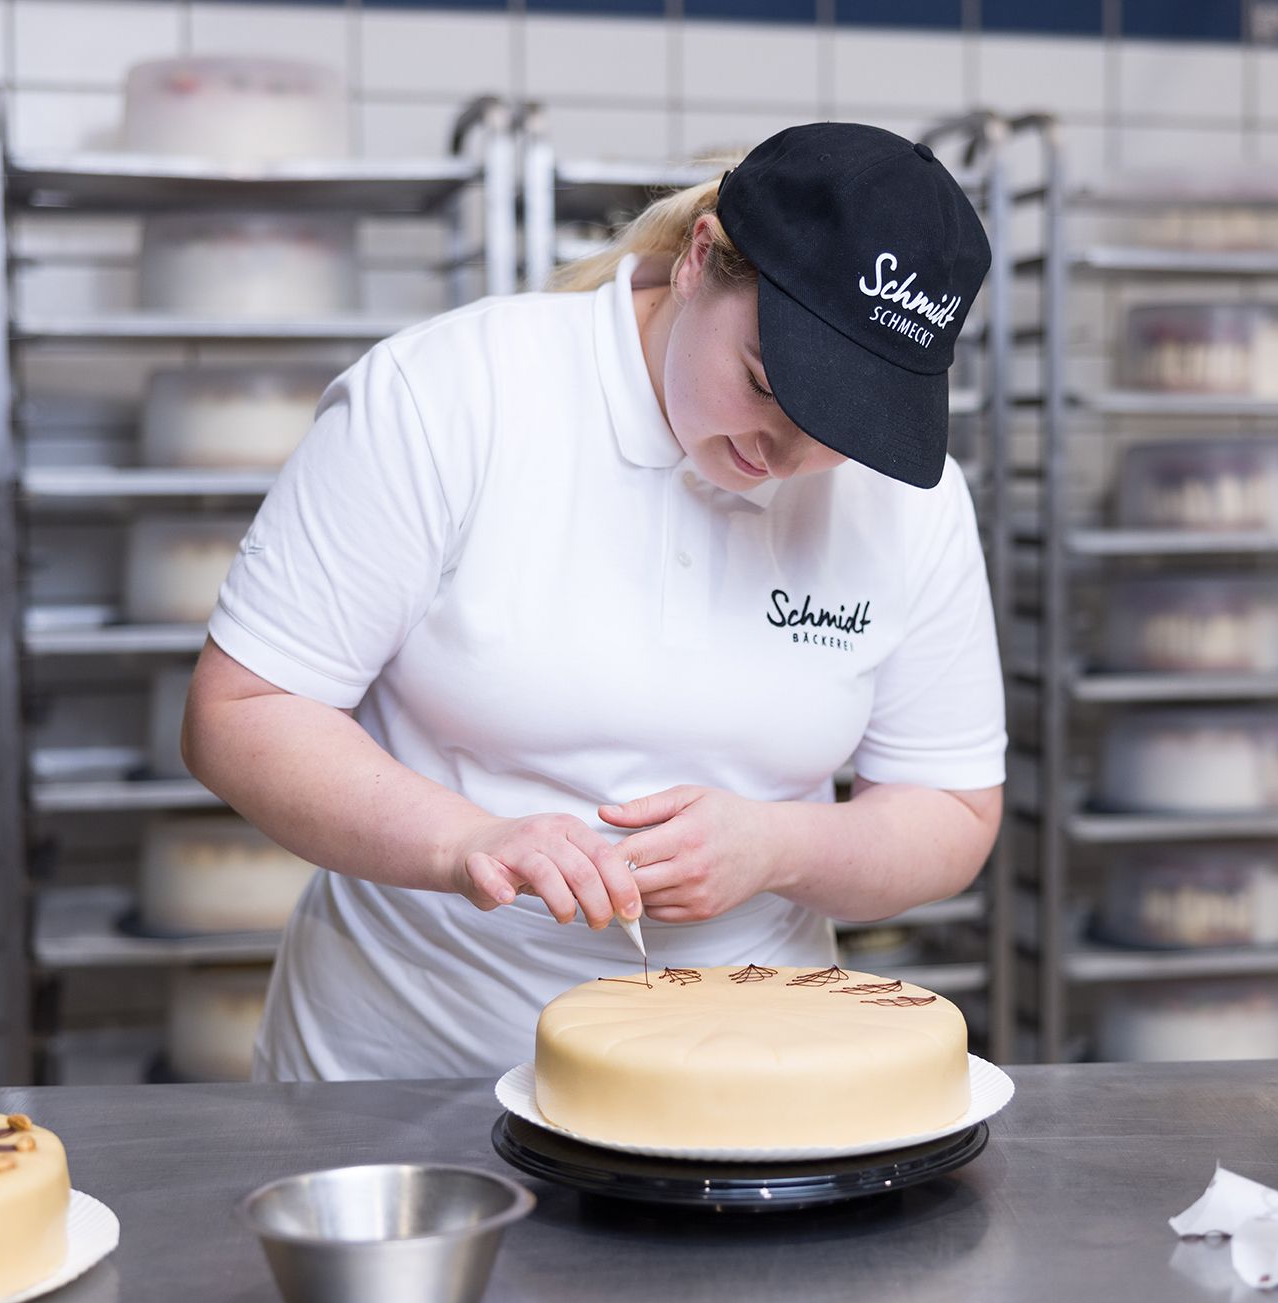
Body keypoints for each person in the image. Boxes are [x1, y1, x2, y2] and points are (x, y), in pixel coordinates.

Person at [181, 122, 1007, 1079]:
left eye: (843, 430)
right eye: (764, 385)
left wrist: (778, 846)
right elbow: (241, 714)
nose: (787, 452)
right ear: (700, 260)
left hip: (752, 1090)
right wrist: (470, 844)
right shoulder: (452, 396)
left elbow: (949, 809)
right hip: (405, 1081)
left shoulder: (911, 503)